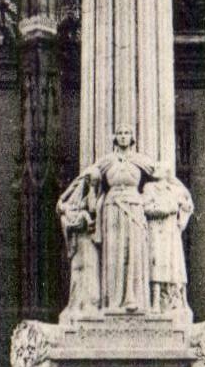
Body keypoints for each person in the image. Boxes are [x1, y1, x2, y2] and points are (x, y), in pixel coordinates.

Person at [93, 128, 155, 312]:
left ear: (132, 137)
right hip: (112, 208)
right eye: (119, 132)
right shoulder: (107, 161)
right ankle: (113, 300)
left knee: (134, 250)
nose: (123, 136)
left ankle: (133, 297)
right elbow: (91, 176)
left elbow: (162, 175)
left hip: (134, 206)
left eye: (127, 133)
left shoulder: (140, 160)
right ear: (114, 137)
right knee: (113, 252)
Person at [143, 171, 193, 315]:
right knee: (156, 265)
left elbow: (187, 204)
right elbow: (145, 207)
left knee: (173, 267)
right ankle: (155, 302)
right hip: (155, 231)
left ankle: (174, 302)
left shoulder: (175, 189)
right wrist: (165, 209)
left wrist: (180, 218)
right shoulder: (149, 188)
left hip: (171, 233)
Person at [57, 170, 101, 315]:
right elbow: (61, 206)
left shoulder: (94, 195)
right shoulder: (77, 197)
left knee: (89, 268)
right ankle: (78, 304)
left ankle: (89, 303)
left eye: (95, 182)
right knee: (79, 269)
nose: (93, 184)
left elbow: (93, 209)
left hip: (88, 240)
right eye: (91, 182)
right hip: (80, 239)